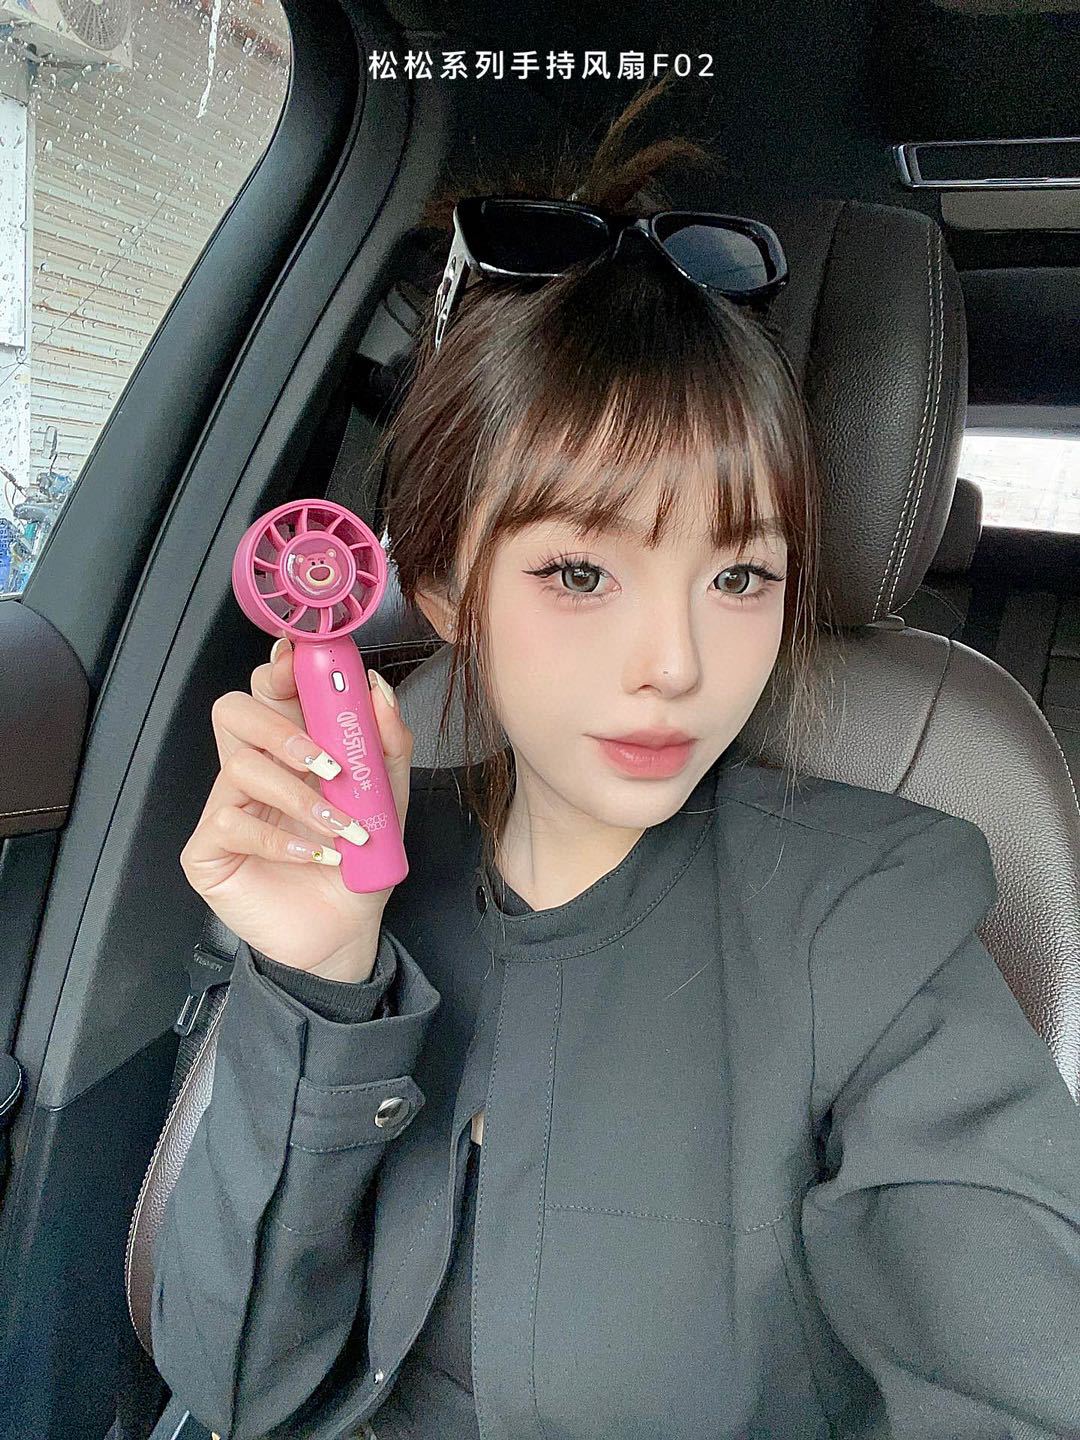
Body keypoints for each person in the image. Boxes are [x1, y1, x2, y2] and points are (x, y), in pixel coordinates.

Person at [151, 77, 1080, 1440]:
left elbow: (1016, 1377)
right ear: (446, 587)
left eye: (741, 576)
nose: (678, 665)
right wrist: (319, 982)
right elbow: (234, 1387)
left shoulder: (876, 911)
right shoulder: (362, 869)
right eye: (581, 571)